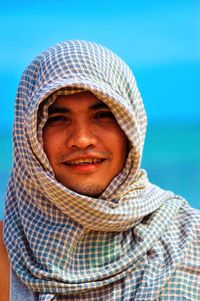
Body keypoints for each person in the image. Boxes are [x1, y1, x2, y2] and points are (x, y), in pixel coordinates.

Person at [0, 40, 199, 301]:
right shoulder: (9, 254)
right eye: (58, 119)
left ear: (130, 127)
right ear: (30, 136)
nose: (81, 139)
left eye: (103, 115)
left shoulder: (190, 239)